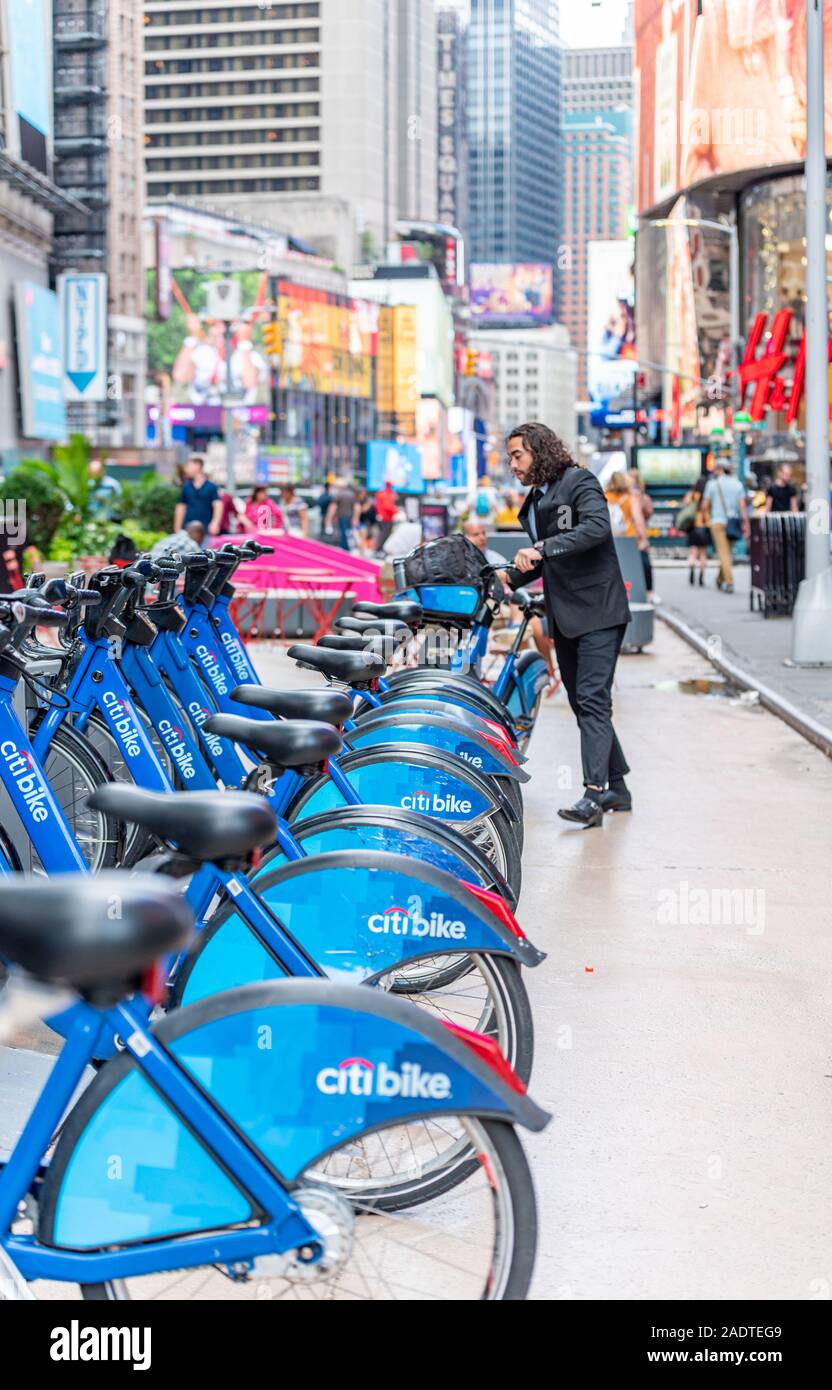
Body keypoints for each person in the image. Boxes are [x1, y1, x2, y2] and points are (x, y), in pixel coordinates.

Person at [505, 422, 631, 828]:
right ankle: (618, 788)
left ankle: (593, 795)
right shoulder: (536, 500)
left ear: (539, 452)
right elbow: (543, 560)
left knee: (593, 700)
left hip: (599, 612)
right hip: (567, 616)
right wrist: (503, 578)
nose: (512, 465)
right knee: (582, 703)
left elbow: (596, 527)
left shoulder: (579, 482)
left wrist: (541, 547)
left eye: (517, 455)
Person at [464, 519, 557, 686]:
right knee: (529, 624)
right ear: (465, 537)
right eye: (475, 534)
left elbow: (509, 583)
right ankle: (538, 672)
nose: (482, 537)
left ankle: (545, 671)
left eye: (484, 533)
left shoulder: (493, 557)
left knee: (531, 623)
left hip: (501, 604)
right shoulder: (461, 560)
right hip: (476, 609)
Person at [604, 471, 656, 603]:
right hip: (630, 540)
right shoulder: (630, 498)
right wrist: (643, 539)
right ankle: (648, 594)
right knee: (641, 565)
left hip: (610, 539)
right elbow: (638, 520)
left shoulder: (604, 497)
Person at [702, 461, 750, 593]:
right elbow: (742, 506)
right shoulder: (737, 484)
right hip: (733, 522)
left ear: (720, 469)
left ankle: (729, 582)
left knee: (724, 554)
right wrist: (746, 524)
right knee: (726, 553)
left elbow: (705, 506)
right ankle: (720, 579)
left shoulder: (712, 484)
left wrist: (707, 518)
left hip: (717, 522)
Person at [173, 454, 223, 537]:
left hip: (206, 529)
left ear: (197, 466)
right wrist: (177, 528)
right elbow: (181, 507)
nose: (186, 469)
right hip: (188, 528)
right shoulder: (186, 486)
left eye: (188, 466)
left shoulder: (211, 486)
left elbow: (218, 505)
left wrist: (215, 523)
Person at [681, 476, 710, 586]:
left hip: (693, 526)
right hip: (704, 526)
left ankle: (692, 567)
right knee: (703, 553)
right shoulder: (706, 496)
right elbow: (707, 509)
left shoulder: (691, 495)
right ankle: (701, 576)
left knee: (692, 551)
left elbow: (685, 506)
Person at [326, 475, 358, 550]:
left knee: (343, 534)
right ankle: (349, 547)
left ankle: (345, 549)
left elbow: (333, 507)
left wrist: (329, 518)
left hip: (342, 516)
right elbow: (357, 507)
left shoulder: (339, 495)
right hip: (349, 516)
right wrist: (355, 518)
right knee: (348, 533)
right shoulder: (351, 494)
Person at [374, 480, 399, 551]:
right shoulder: (386, 495)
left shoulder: (381, 493)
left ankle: (378, 549)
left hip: (382, 517)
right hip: (386, 518)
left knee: (382, 534)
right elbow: (388, 506)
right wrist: (397, 511)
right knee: (384, 535)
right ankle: (379, 550)